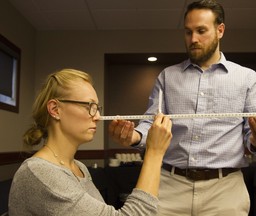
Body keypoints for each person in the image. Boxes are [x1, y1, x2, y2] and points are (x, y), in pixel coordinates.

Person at [108, 0, 256, 215]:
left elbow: (253, 139)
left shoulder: (247, 78)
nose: (193, 39)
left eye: (201, 31)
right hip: (168, 185)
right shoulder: (167, 77)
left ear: (220, 30)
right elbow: (151, 124)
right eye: (188, 32)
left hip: (225, 190)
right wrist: (132, 136)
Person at [8, 69, 173, 216]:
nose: (97, 116)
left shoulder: (78, 168)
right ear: (55, 109)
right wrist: (155, 152)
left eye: (97, 107)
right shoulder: (39, 172)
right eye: (89, 106)